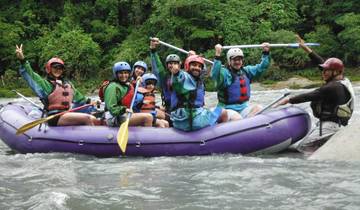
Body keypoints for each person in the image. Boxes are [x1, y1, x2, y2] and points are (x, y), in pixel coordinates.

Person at [277, 35, 355, 153]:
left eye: (326, 71)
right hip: (337, 125)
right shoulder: (342, 81)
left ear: (336, 72)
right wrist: (306, 49)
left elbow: (309, 96)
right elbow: (321, 63)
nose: (323, 73)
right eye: (323, 70)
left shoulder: (332, 87)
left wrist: (288, 100)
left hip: (329, 127)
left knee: (302, 149)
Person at [15, 44, 100, 126]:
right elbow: (31, 74)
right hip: (55, 117)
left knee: (93, 113)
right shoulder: (45, 84)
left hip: (67, 114)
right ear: (49, 69)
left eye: (60, 68)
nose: (58, 70)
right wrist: (23, 60)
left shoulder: (68, 85)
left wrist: (91, 102)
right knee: (87, 118)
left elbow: (80, 98)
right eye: (55, 67)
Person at [211, 42, 271, 119]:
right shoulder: (225, 73)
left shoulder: (247, 71)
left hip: (243, 108)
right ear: (229, 61)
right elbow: (215, 75)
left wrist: (265, 52)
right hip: (227, 109)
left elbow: (262, 67)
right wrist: (217, 55)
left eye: (239, 59)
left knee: (259, 108)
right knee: (237, 118)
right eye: (234, 60)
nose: (237, 62)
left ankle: (248, 127)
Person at [170, 54, 228, 131]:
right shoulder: (184, 77)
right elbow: (178, 80)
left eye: (199, 66)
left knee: (208, 111)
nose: (197, 68)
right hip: (190, 120)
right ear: (187, 66)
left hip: (181, 119)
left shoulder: (198, 81)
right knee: (223, 112)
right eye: (194, 65)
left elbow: (207, 72)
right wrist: (176, 73)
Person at [103, 61, 153, 127]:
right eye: (121, 73)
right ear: (116, 74)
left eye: (126, 73)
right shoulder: (112, 87)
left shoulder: (126, 85)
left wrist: (138, 82)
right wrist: (124, 109)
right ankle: (147, 137)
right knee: (148, 117)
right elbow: (112, 108)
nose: (124, 75)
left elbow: (132, 90)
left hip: (124, 114)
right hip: (114, 117)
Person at [149, 38, 179, 117]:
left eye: (175, 63)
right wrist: (153, 49)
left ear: (179, 65)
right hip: (169, 109)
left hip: (183, 109)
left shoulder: (185, 76)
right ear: (167, 65)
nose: (172, 65)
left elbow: (198, 73)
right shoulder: (164, 77)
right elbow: (157, 65)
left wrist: (193, 57)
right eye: (170, 63)